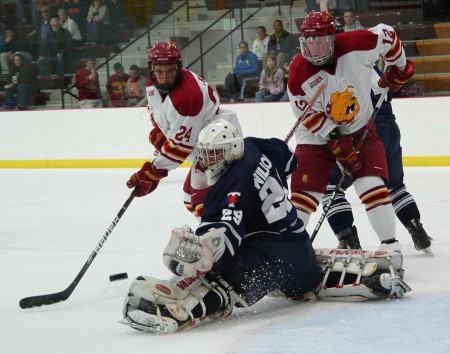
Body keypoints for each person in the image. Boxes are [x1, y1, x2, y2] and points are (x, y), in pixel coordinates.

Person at [120, 120, 411, 334]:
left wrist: (195, 251)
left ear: (231, 149)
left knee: (220, 279)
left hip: (266, 261)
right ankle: (355, 277)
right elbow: (289, 160)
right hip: (298, 249)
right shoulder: (256, 145)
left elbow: (218, 244)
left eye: (215, 154)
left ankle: (179, 311)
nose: (208, 161)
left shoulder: (230, 185)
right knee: (303, 274)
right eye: (206, 154)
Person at [287, 11, 415, 251]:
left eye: (320, 40)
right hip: (315, 138)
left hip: (359, 129)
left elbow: (388, 34)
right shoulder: (298, 71)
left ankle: (390, 246)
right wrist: (337, 141)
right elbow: (307, 116)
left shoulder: (357, 44)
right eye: (309, 42)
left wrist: (398, 67)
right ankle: (288, 253)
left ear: (333, 37)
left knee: (371, 184)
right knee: (305, 196)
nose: (314, 49)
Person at [323, 66, 433, 254]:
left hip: (365, 130)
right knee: (396, 187)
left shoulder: (343, 63)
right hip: (390, 127)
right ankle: (416, 227)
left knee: (332, 188)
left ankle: (347, 238)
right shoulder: (368, 63)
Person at [125, 41, 241, 219]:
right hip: (201, 141)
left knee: (201, 199)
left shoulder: (188, 95)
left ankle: (221, 238)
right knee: (192, 198)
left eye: (170, 71)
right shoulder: (152, 83)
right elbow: (158, 112)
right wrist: (162, 132)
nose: (164, 77)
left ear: (179, 68)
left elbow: (181, 147)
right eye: (160, 71)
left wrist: (153, 171)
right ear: (151, 69)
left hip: (218, 140)